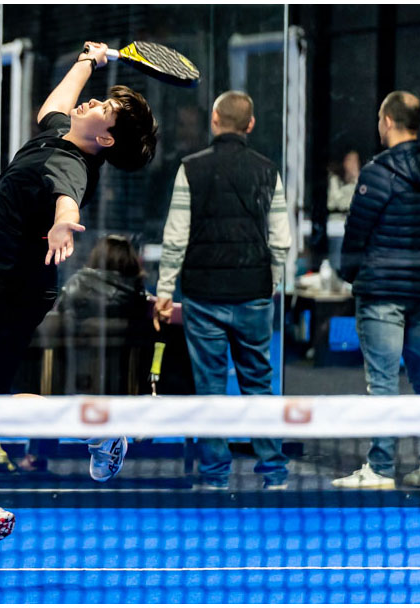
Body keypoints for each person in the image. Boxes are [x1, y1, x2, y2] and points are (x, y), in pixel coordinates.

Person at [0, 41, 158, 566]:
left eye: (105, 108)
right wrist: (87, 61)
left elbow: (66, 197)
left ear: (105, 138)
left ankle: (94, 426)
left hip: (10, 290)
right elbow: (52, 107)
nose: (92, 101)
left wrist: (62, 223)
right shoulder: (59, 133)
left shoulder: (72, 162)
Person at [152, 90, 291, 491]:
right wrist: (270, 282)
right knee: (258, 383)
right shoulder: (268, 170)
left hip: (203, 295)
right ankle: (274, 472)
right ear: (250, 125)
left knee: (209, 388)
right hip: (254, 293)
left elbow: (175, 237)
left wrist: (164, 290)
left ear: (214, 121)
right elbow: (281, 241)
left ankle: (214, 476)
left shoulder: (190, 169)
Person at [333, 91, 420, 490]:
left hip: (382, 295)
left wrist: (350, 274)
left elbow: (356, 235)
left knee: (383, 384)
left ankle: (381, 468)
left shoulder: (376, 173)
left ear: (388, 121)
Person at [19, 234, 149, 473]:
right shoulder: (138, 297)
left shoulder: (75, 286)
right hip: (121, 383)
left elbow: (58, 327)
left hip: (69, 378)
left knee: (44, 381)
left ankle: (37, 454)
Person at [326, 149, 361, 269]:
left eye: (356, 161)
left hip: (353, 227)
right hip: (336, 225)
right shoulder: (334, 179)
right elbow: (337, 202)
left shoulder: (360, 181)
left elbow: (360, 201)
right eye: (350, 161)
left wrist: (357, 180)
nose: (353, 165)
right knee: (337, 264)